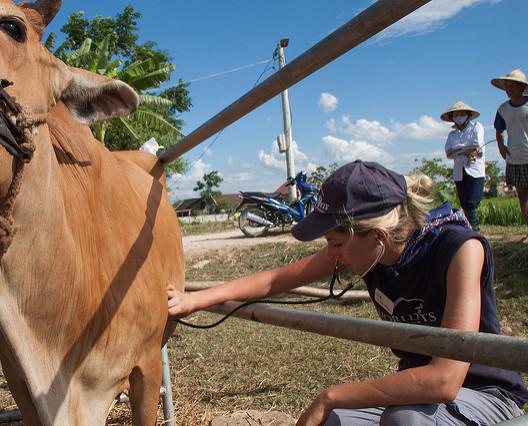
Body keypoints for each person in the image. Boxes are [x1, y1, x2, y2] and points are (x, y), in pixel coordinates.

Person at [168, 160, 527, 426]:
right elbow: (275, 280)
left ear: (378, 237)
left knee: (404, 421)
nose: (331, 254)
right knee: (335, 420)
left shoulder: (459, 249)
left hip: (483, 393)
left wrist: (330, 395)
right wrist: (194, 299)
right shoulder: (367, 253)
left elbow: (445, 380)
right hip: (416, 395)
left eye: (336, 243)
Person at [492, 68, 528, 243]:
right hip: (515, 158)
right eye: (507, 86)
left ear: (522, 87)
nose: (509, 89)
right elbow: (499, 132)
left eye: (512, 85)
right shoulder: (503, 109)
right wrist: (501, 148)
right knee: (522, 195)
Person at [441, 101, 485, 231]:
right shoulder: (452, 135)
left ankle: (475, 230)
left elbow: (477, 145)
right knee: (465, 203)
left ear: (468, 115)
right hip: (459, 171)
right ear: (452, 117)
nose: (459, 117)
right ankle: (468, 229)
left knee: (472, 202)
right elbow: (449, 152)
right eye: (456, 115)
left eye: (461, 114)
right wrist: (465, 149)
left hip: (474, 169)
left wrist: (459, 150)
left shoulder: (477, 127)